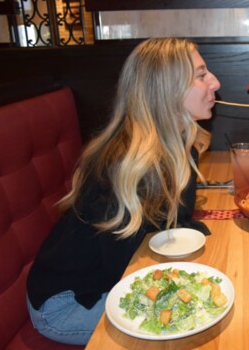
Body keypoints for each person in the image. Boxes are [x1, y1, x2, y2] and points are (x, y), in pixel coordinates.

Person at [26, 37, 221, 345]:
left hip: (112, 277)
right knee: (193, 326)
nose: (215, 82)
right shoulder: (126, 165)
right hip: (68, 303)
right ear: (166, 90)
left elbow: (177, 218)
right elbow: (127, 271)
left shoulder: (175, 145)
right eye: (200, 75)